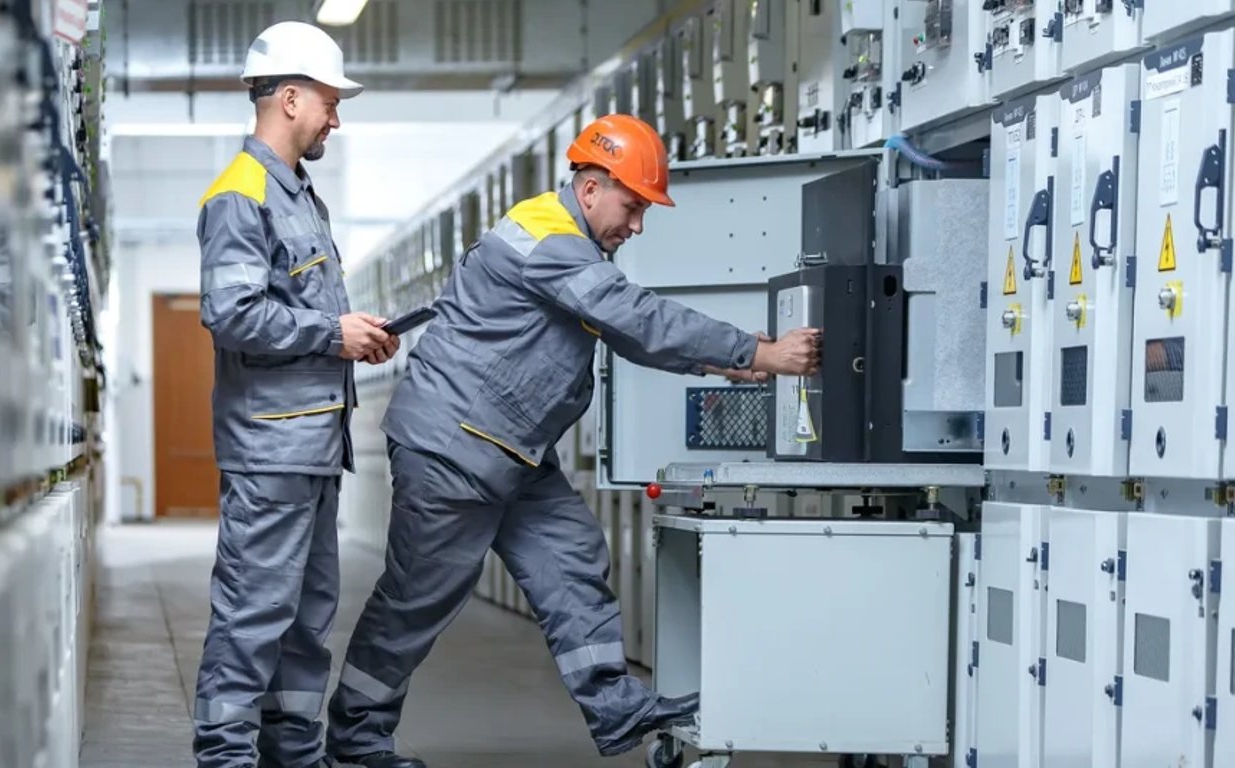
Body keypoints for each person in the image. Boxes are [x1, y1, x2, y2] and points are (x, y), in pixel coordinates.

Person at [324, 114, 822, 767]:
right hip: (455, 447)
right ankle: (354, 741)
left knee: (572, 558)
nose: (637, 225)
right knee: (417, 598)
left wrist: (726, 361)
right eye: (633, 207)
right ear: (591, 188)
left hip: (509, 448)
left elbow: (625, 329)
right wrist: (760, 353)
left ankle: (614, 705)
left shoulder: (568, 243)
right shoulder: (550, 239)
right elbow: (634, 315)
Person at [191, 21, 401, 768]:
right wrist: (330, 334)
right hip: (270, 448)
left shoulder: (300, 196)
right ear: (288, 98)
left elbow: (300, 315)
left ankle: (294, 756)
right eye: (329, 103)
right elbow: (231, 315)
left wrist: (355, 335)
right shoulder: (240, 194)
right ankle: (225, 756)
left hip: (312, 447)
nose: (334, 120)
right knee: (252, 616)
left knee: (307, 623)